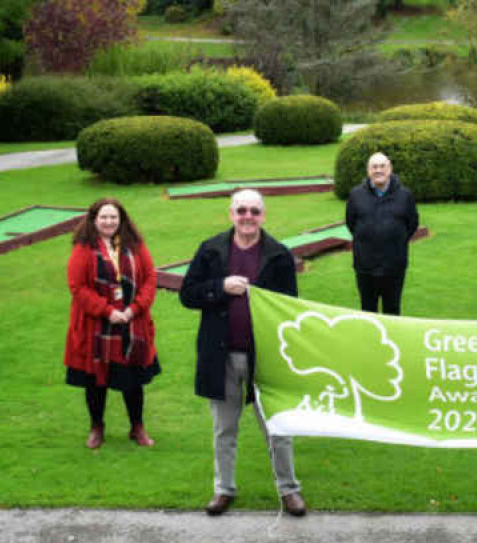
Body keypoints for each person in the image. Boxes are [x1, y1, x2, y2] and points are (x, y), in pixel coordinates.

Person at [179, 189, 307, 517]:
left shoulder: (279, 254)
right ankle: (223, 489)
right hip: (220, 356)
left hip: (264, 359)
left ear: (263, 215)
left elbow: (290, 309)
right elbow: (187, 295)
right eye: (241, 211)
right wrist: (219, 287)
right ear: (231, 214)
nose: (247, 217)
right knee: (224, 429)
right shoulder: (210, 250)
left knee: (278, 429)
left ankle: (289, 489)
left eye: (253, 211)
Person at [65, 198, 160, 450]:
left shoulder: (135, 246)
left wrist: (133, 309)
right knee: (95, 381)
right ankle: (97, 427)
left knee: (133, 381)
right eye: (104, 217)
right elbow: (78, 287)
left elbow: (151, 278)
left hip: (132, 323)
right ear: (94, 220)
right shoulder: (83, 248)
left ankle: (137, 427)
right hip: (96, 326)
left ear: (122, 219)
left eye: (113, 217)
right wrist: (108, 311)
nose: (109, 222)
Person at [345, 152, 419, 315]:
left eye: (382, 166)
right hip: (365, 267)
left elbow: (412, 225)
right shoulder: (356, 195)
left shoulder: (405, 195)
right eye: (374, 167)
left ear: (390, 168)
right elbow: (351, 224)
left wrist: (394, 240)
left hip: (394, 267)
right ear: (368, 171)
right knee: (367, 311)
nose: (378, 170)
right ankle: (369, 340)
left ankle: (391, 340)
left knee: (392, 310)